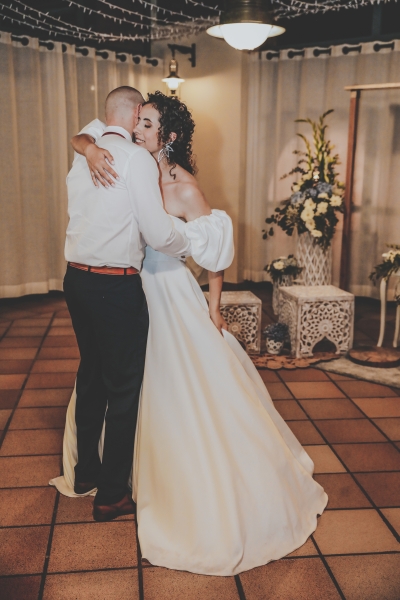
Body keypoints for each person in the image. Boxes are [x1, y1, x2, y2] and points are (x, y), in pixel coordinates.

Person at [52, 91, 328, 576]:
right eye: (138, 121)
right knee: (125, 384)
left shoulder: (183, 186)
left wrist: (214, 306)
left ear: (170, 136)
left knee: (170, 388)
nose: (137, 129)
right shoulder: (125, 162)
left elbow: (214, 249)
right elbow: (83, 137)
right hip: (128, 291)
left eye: (148, 123)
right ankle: (121, 476)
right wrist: (89, 147)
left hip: (166, 294)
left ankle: (176, 483)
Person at [58, 86, 190, 523]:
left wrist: (87, 146)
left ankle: (85, 474)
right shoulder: (136, 160)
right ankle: (112, 494)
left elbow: (82, 135)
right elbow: (157, 232)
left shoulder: (86, 152)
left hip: (75, 280)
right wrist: (189, 242)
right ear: (135, 114)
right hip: (115, 287)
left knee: (91, 374)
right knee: (123, 387)